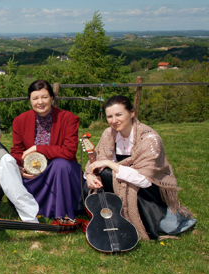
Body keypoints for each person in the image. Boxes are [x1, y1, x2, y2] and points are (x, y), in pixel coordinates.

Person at [85, 95, 196, 241]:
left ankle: (149, 218)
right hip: (124, 185)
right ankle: (119, 213)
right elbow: (96, 164)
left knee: (167, 226)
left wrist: (110, 164)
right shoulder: (109, 134)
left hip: (150, 190)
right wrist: (90, 175)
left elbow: (144, 180)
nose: (114, 120)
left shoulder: (150, 139)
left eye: (119, 114)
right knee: (100, 178)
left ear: (132, 113)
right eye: (109, 116)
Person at [10, 80, 82, 222]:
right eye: (35, 98)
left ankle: (63, 215)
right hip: (34, 173)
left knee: (59, 164)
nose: (40, 102)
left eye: (44, 97)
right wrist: (20, 168)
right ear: (30, 101)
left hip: (63, 172)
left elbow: (69, 152)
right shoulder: (20, 121)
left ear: (52, 98)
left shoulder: (68, 119)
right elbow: (17, 151)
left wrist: (38, 148)